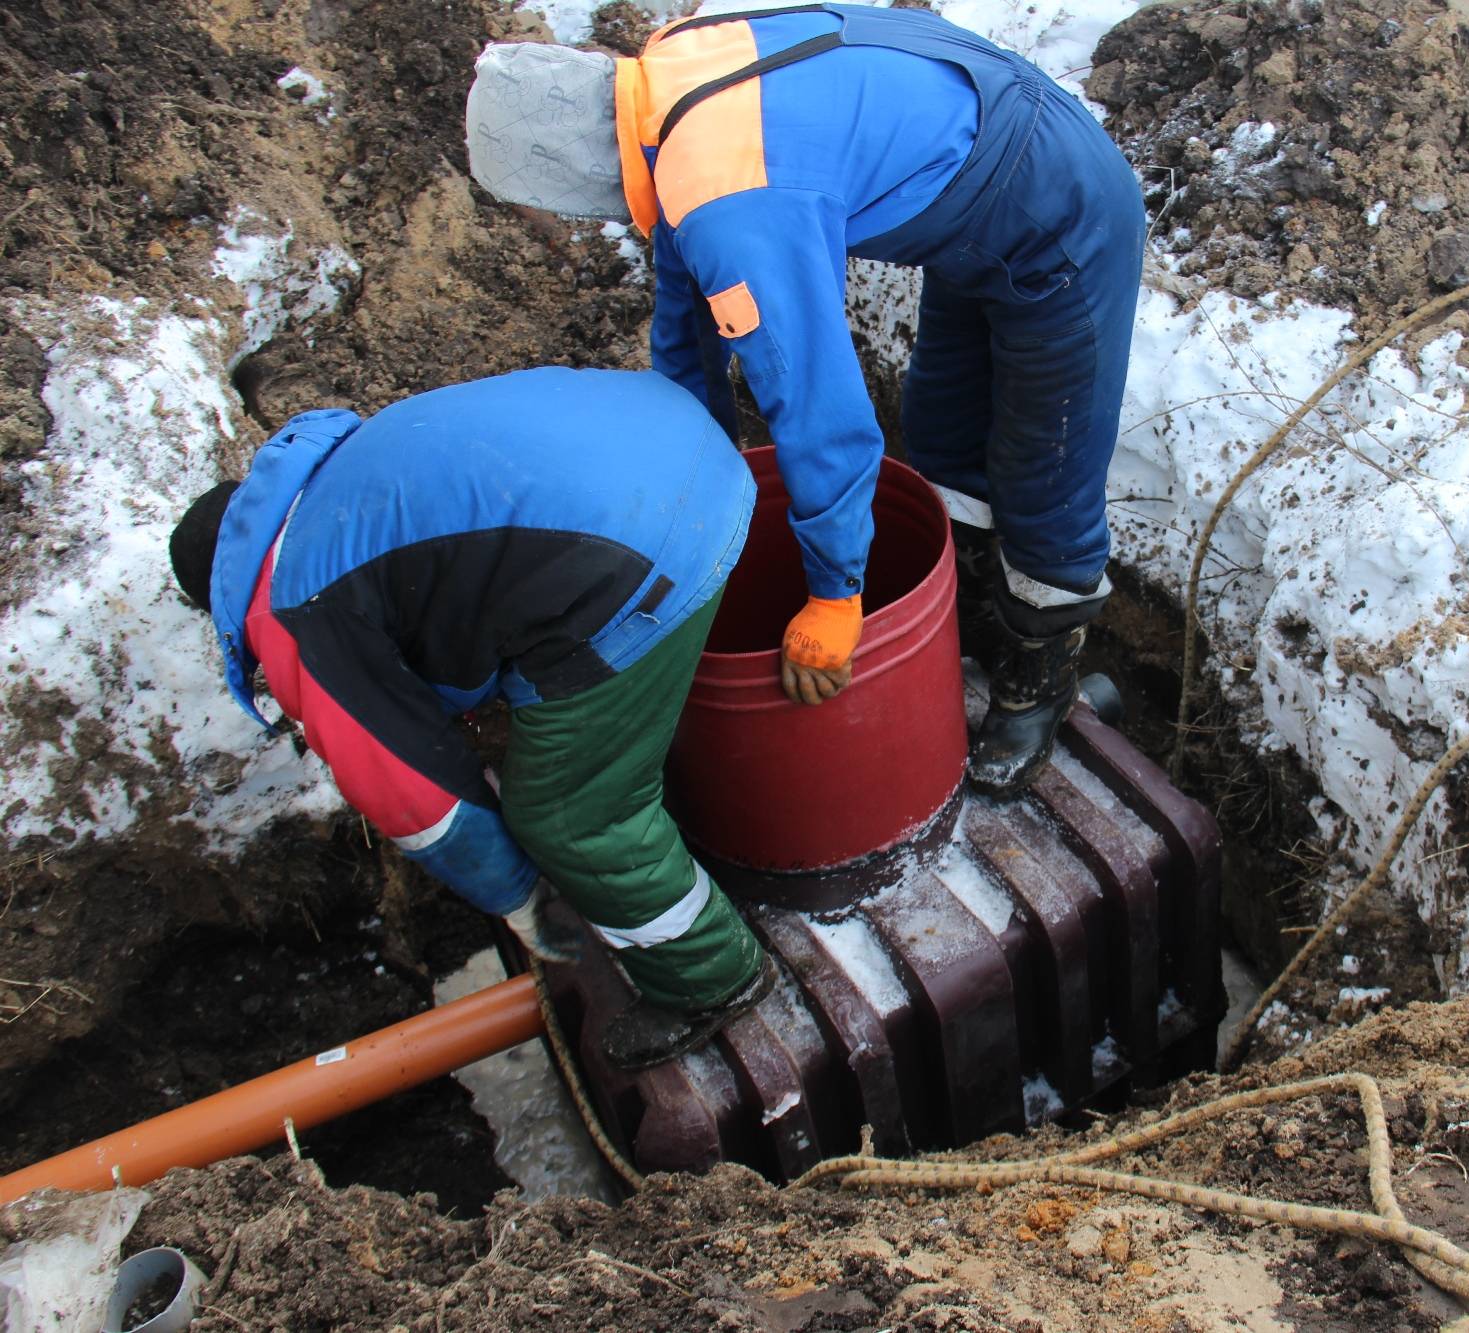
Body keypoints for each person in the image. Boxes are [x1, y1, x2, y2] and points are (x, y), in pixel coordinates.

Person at [464, 3, 1145, 794]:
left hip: (1063, 216)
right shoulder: (667, 83)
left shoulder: (732, 199)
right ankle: (966, 632)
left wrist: (831, 595)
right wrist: (697, 499)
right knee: (944, 447)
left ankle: (1036, 691)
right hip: (976, 199)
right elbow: (684, 329)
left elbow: (824, 416)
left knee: (1042, 483)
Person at [168, 367, 777, 1071]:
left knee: (568, 815)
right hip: (693, 448)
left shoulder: (294, 610)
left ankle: (713, 978)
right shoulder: (339, 478)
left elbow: (420, 802)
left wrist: (521, 897)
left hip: (640, 549)